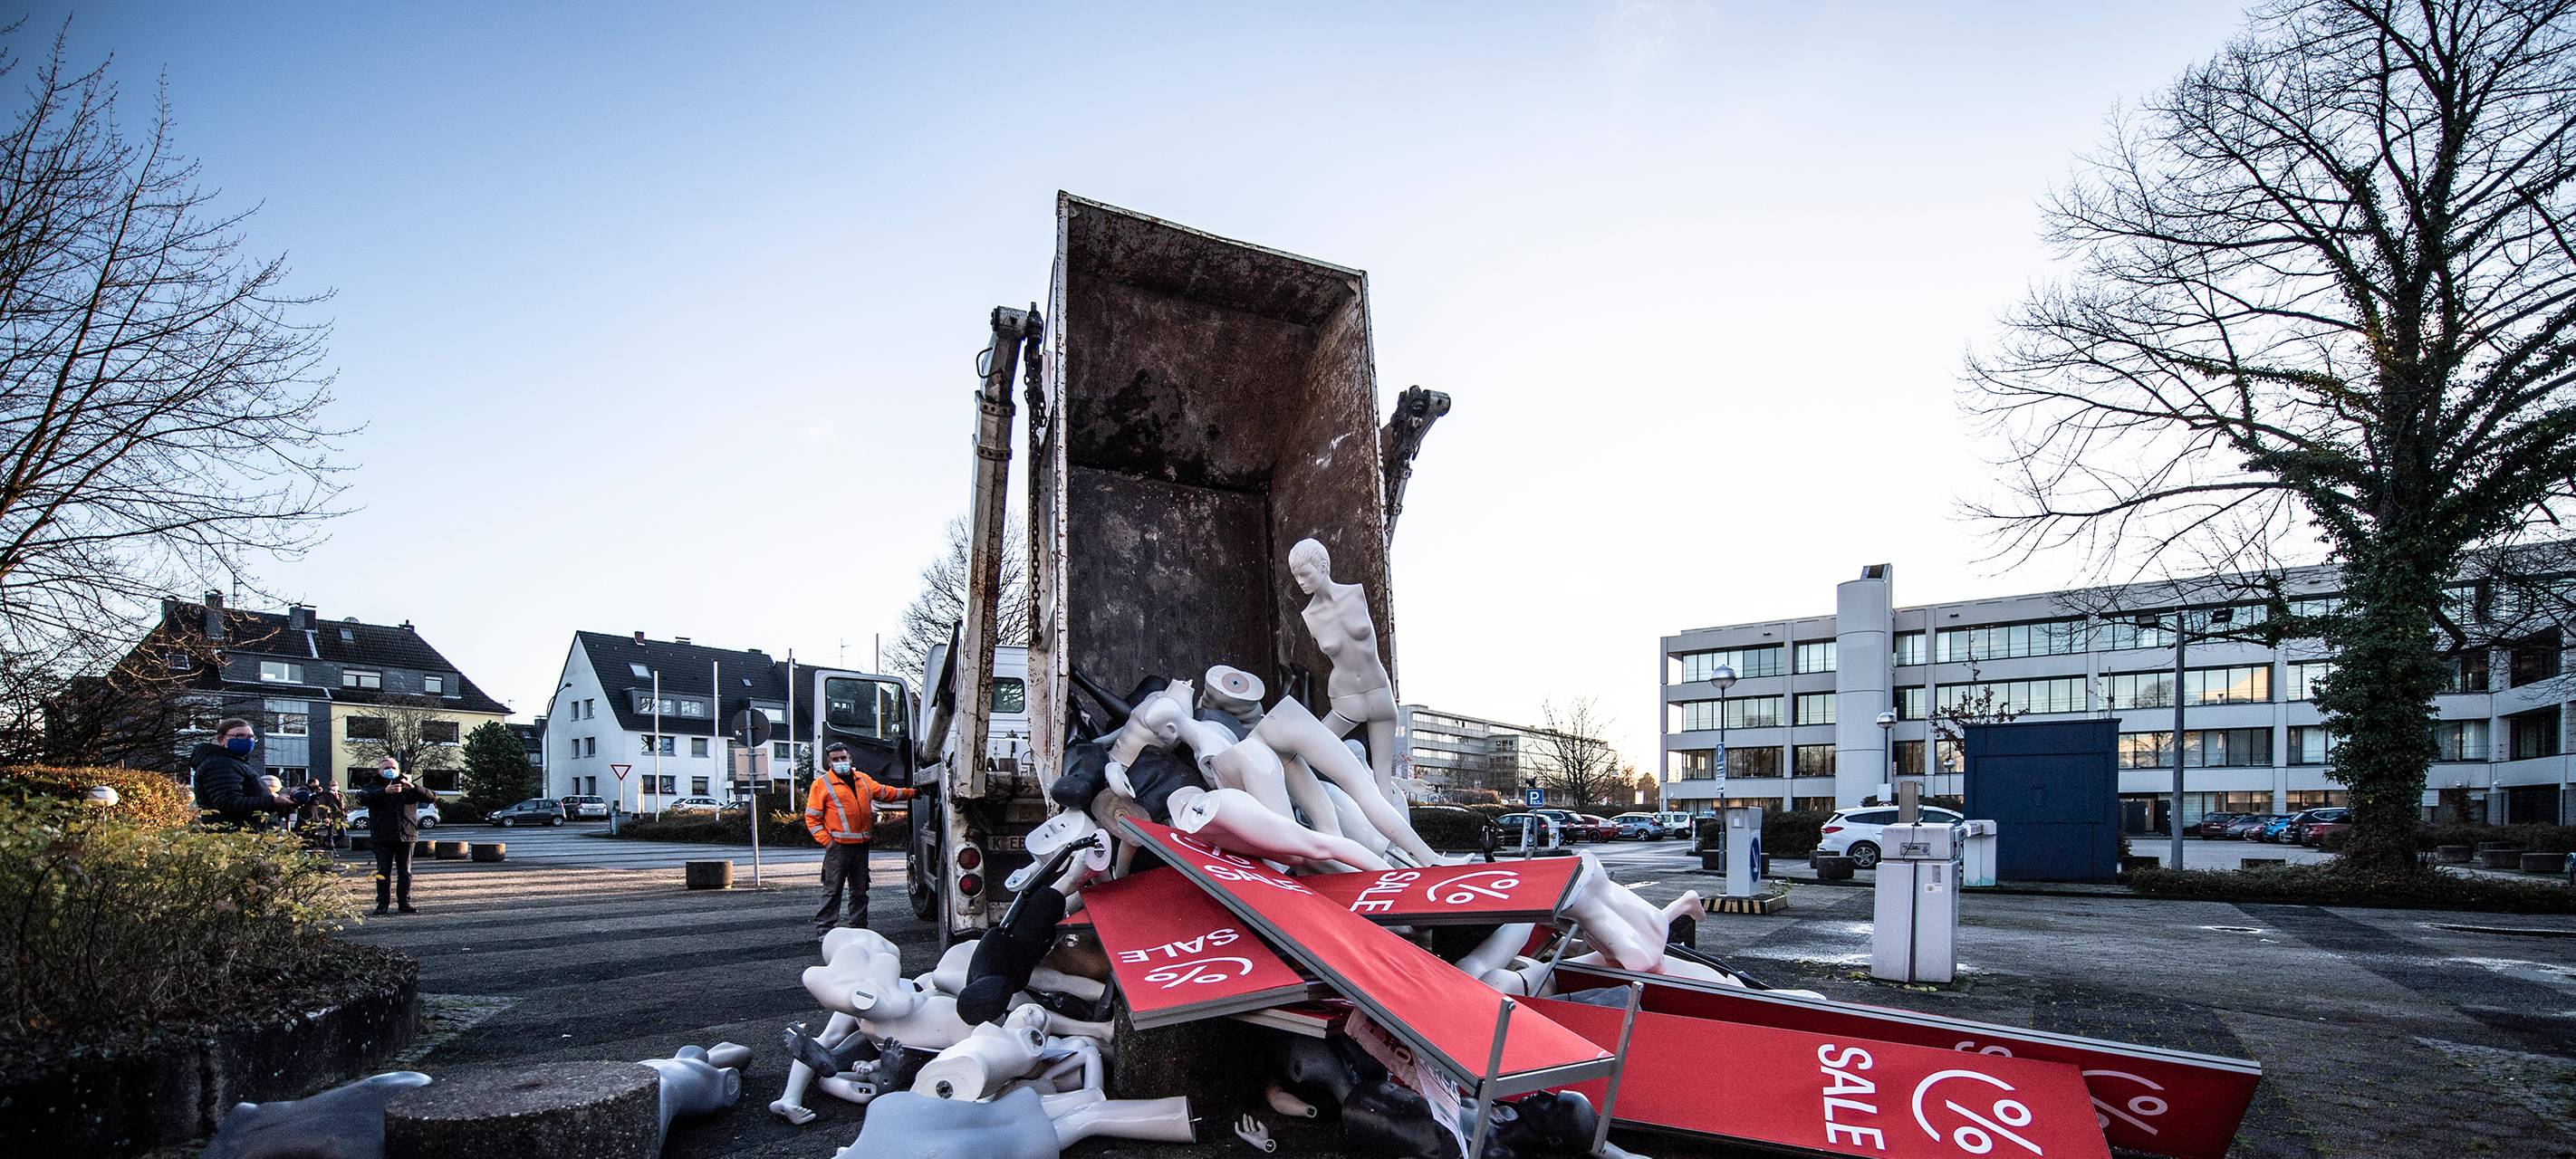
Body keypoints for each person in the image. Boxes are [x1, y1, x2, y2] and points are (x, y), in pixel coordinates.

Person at [803, 741, 915, 938]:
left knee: (860, 891)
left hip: (861, 846)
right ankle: (825, 929)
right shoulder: (821, 785)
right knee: (832, 890)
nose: (840, 762)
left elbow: (886, 792)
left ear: (850, 758)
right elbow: (812, 818)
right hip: (838, 847)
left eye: (843, 758)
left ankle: (859, 927)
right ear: (829, 763)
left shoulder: (862, 780)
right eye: (835, 759)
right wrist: (827, 842)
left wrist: (913, 793)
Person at [356, 757, 436, 915]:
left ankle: (404, 902)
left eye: (393, 767)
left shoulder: (408, 786)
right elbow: (362, 798)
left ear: (399, 769)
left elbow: (431, 797)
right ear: (379, 770)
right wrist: (384, 792)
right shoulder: (372, 787)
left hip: (406, 835)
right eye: (386, 767)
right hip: (382, 836)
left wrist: (413, 786)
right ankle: (382, 903)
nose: (390, 770)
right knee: (383, 871)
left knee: (405, 872)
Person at [190, 718, 296, 829]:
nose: (247, 740)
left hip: (244, 832)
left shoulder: (236, 762)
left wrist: (280, 805)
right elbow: (229, 803)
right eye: (240, 736)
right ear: (221, 739)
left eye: (251, 737)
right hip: (233, 835)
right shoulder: (220, 764)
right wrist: (273, 801)